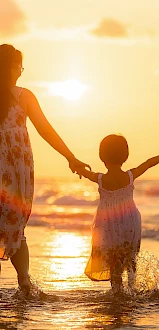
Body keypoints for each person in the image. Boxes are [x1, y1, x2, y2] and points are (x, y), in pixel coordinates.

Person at [0, 44, 90, 295]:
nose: (22, 71)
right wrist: (71, 158)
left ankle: (24, 283)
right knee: (16, 226)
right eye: (20, 65)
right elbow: (45, 129)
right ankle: (25, 283)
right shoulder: (23, 95)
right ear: (11, 67)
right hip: (16, 173)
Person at [77, 134, 159, 294]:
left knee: (114, 260)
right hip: (130, 221)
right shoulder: (130, 176)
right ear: (125, 156)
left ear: (102, 157)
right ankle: (132, 288)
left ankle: (118, 292)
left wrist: (76, 166)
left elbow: (84, 173)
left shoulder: (100, 178)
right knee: (130, 257)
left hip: (108, 224)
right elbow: (149, 163)